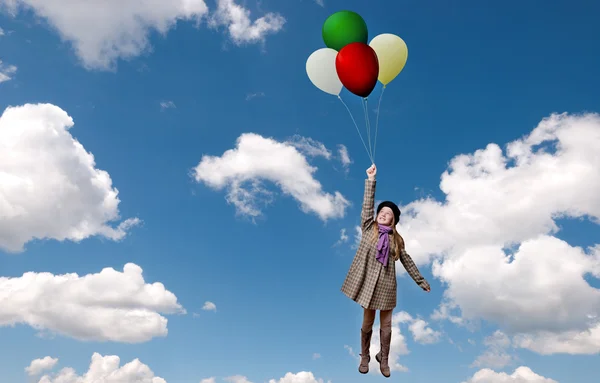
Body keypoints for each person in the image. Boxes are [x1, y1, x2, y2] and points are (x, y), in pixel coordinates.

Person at [341, 163, 430, 378]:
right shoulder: (369, 228)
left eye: (387, 213)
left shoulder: (397, 240)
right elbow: (367, 206)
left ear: (394, 220)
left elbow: (407, 261)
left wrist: (420, 281)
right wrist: (371, 181)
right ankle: (365, 355)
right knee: (367, 322)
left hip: (387, 286)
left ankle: (385, 358)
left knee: (387, 324)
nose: (382, 214)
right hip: (368, 285)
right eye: (381, 211)